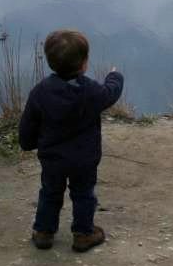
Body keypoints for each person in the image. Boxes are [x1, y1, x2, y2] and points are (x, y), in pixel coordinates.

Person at [18, 30, 124, 252]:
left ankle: (44, 232)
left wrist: (27, 143)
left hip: (52, 159)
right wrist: (115, 76)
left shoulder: (40, 92)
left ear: (50, 62)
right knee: (84, 194)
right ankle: (83, 234)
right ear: (84, 64)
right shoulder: (90, 91)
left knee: (49, 192)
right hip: (84, 159)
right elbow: (110, 93)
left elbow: (28, 124)